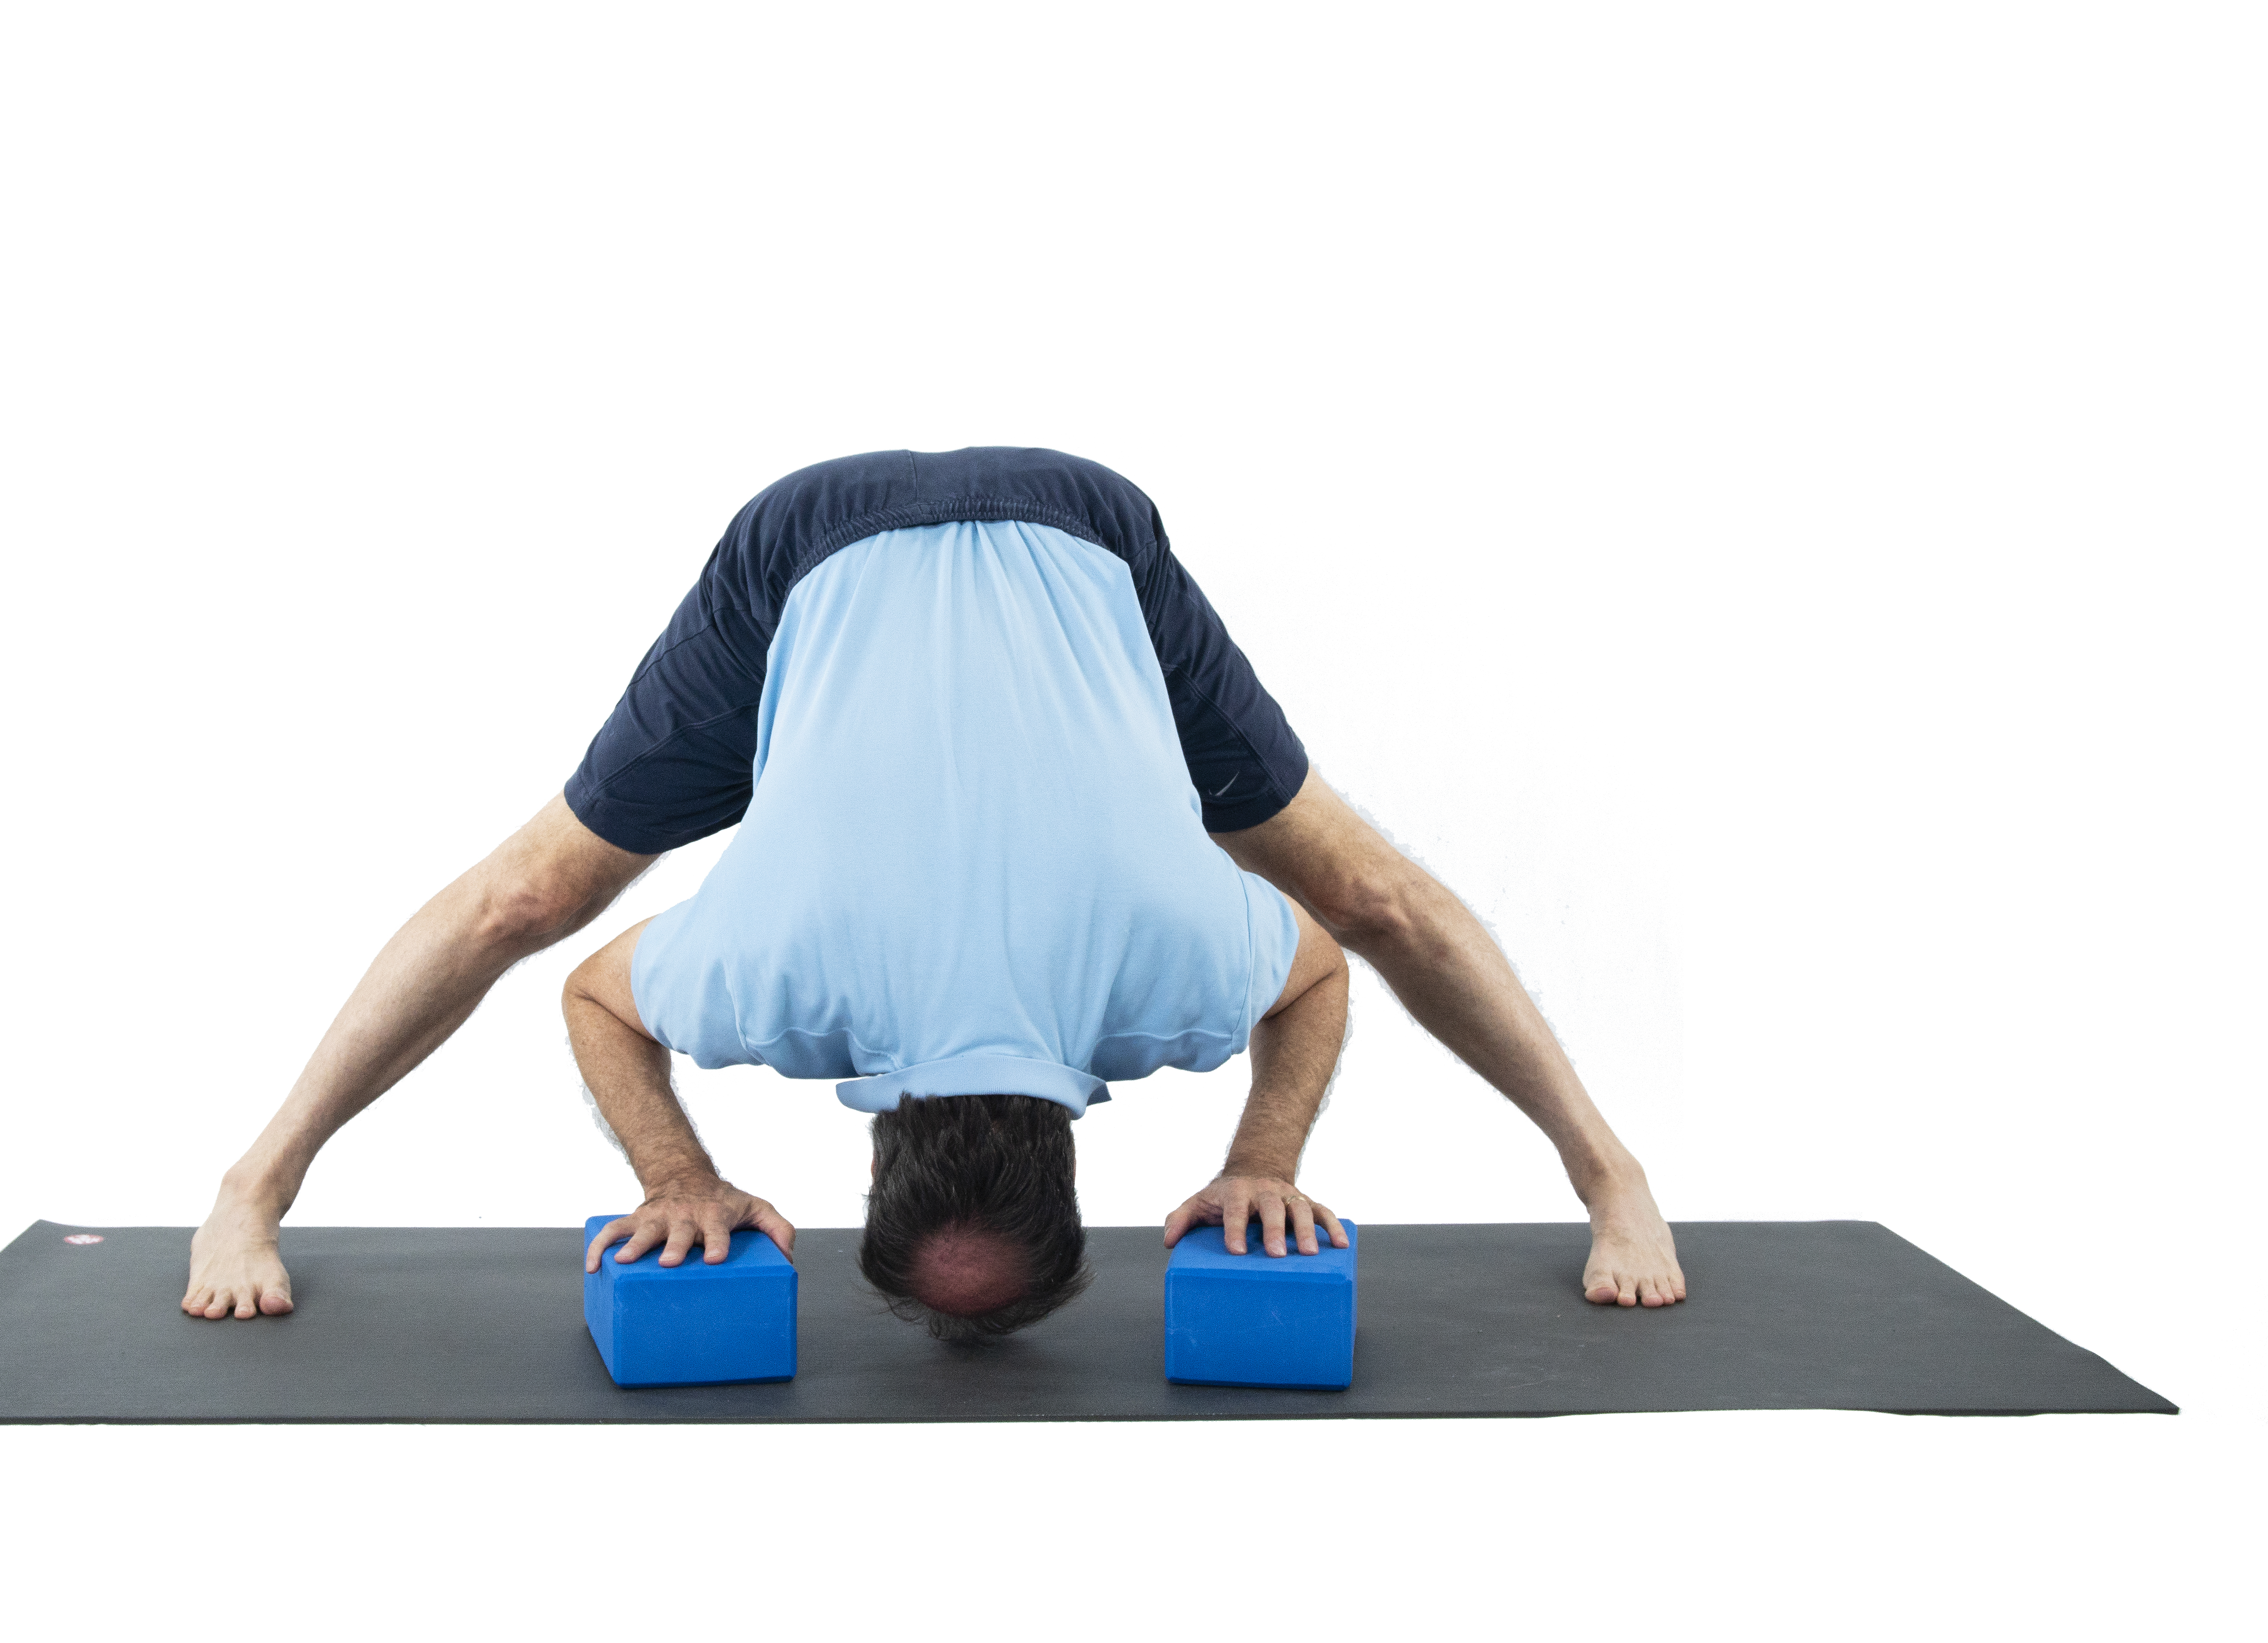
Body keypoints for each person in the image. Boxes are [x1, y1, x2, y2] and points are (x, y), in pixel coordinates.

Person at [183, 448, 1685, 1334]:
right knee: (1372, 893)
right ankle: (251, 1187)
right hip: (856, 551)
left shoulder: (1162, 988)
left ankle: (257, 1184)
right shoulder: (791, 987)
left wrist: (1269, 1152)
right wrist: (677, 1181)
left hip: (1067, 525)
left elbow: (1324, 964)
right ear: (876, 1147)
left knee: (1372, 894)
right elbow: (588, 993)